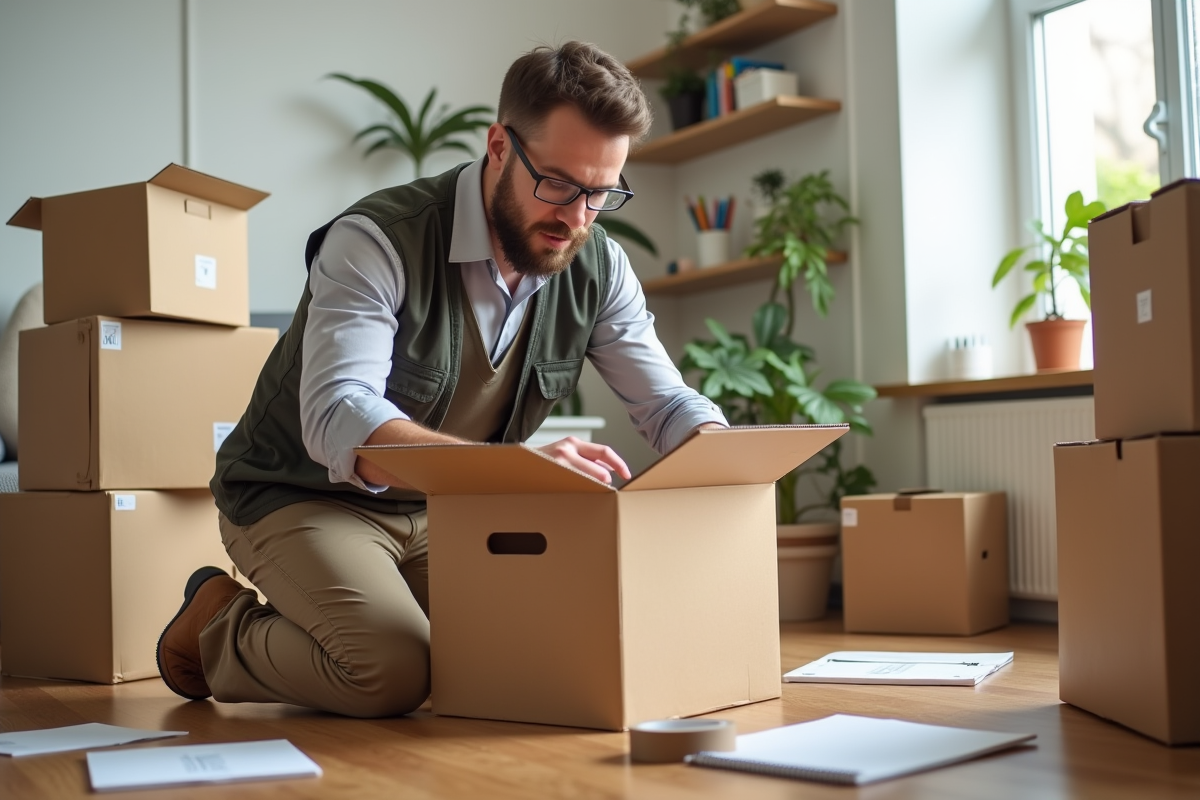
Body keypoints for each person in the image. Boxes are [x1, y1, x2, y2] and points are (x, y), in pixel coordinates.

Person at [155, 41, 728, 718]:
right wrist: (516, 471)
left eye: (601, 194)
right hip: (299, 495)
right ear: (498, 148)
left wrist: (718, 448)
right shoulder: (376, 239)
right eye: (558, 184)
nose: (576, 217)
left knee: (541, 648)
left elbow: (663, 402)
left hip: (445, 513)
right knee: (391, 673)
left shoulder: (598, 264)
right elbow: (340, 413)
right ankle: (217, 623)